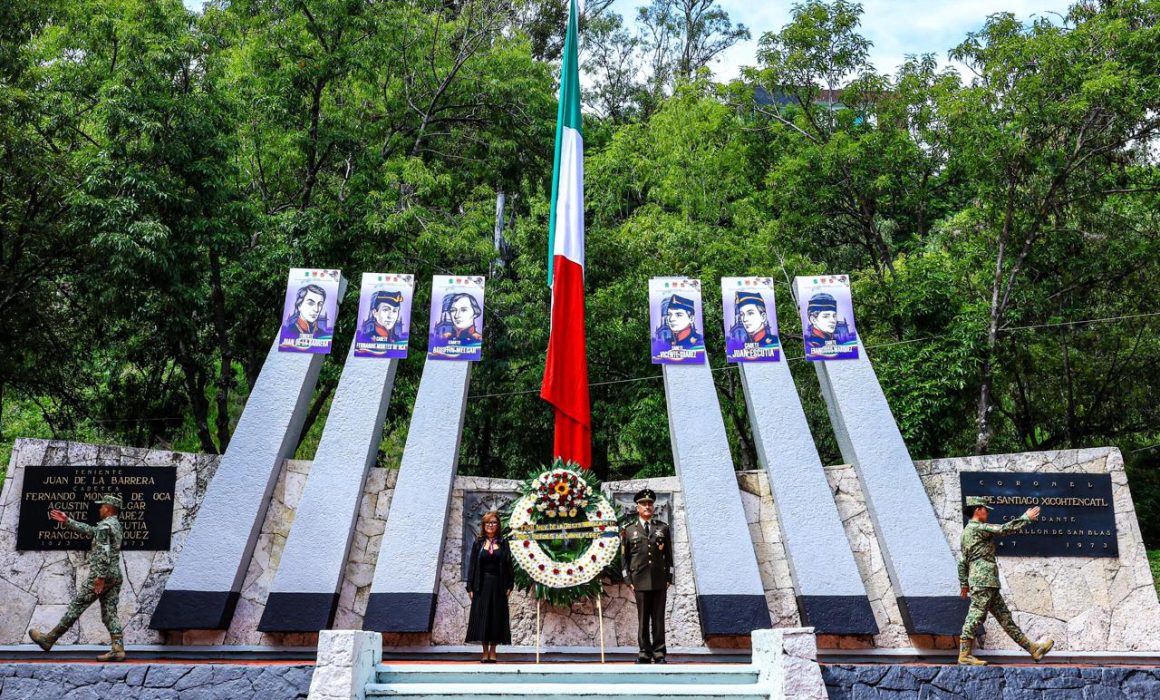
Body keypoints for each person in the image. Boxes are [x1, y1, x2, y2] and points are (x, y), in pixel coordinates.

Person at [28, 494, 126, 662]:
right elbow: (91, 531)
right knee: (110, 613)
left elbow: (103, 552)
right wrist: (67, 521)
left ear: (108, 509)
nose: (100, 509)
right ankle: (118, 649)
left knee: (76, 606)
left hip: (101, 575)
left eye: (102, 506)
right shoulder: (115, 525)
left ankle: (49, 639)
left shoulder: (105, 527)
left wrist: (100, 577)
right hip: (115, 575)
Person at [957, 496, 1054, 666]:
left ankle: (1034, 649)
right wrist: (1025, 518)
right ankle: (964, 654)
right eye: (985, 509)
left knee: (1005, 619)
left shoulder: (966, 533)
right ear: (977, 509)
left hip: (987, 582)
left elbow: (962, 562)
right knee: (976, 615)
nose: (987, 512)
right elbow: (1003, 529)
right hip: (983, 582)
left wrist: (964, 584)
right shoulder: (977, 528)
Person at [620, 489, 674, 664]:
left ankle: (659, 654)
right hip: (639, 581)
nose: (647, 506)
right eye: (644, 504)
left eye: (650, 503)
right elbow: (624, 558)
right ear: (637, 508)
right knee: (643, 619)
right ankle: (644, 653)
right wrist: (628, 580)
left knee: (658, 619)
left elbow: (669, 556)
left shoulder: (662, 528)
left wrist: (669, 578)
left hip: (659, 580)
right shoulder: (628, 531)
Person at [465, 511, 514, 663]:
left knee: (496, 618)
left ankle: (493, 651)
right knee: (483, 618)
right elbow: (472, 565)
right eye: (488, 523)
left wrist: (510, 585)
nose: (491, 525)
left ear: (498, 525)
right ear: (484, 526)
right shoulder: (478, 542)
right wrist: (470, 587)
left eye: (493, 522)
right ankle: (484, 652)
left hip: (499, 586)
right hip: (482, 586)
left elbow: (508, 566)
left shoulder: (503, 542)